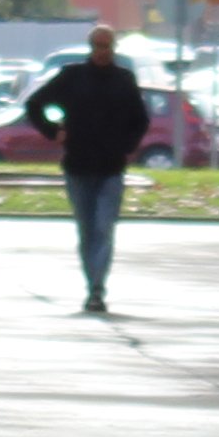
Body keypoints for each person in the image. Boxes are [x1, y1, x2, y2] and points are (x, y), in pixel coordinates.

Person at [22, 25, 152, 314]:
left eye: (107, 46)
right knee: (86, 230)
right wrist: (52, 130)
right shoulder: (72, 77)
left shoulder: (123, 80)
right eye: (97, 46)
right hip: (78, 166)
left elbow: (140, 120)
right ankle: (91, 282)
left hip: (111, 169)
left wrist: (128, 146)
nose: (102, 52)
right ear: (90, 47)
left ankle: (97, 289)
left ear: (114, 48)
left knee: (104, 227)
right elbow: (34, 103)